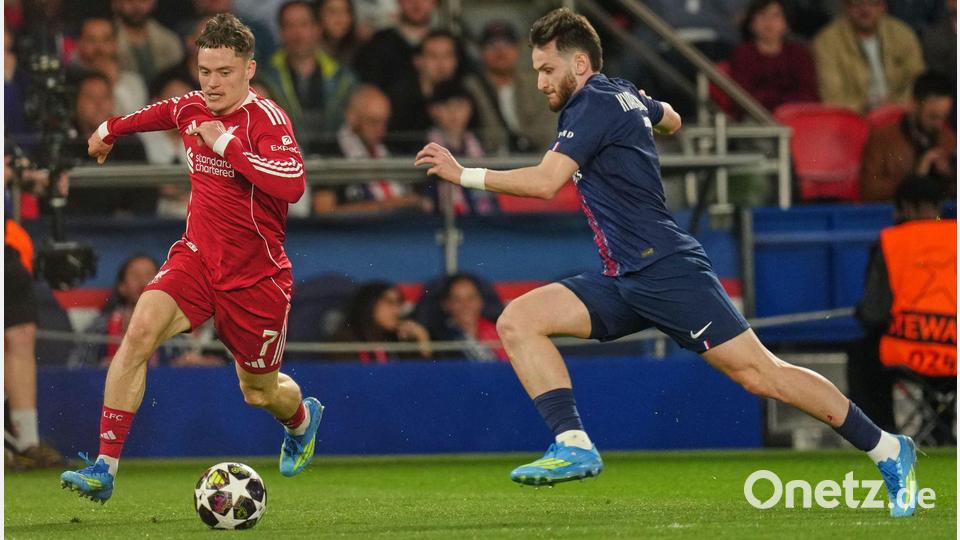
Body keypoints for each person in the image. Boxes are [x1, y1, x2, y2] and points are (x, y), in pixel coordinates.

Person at [415, 8, 921, 517]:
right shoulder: (619, 91)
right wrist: (647, 116)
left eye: (548, 69)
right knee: (519, 320)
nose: (541, 81)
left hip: (666, 271)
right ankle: (573, 443)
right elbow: (672, 117)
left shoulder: (590, 100)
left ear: (581, 64)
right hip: (625, 277)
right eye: (537, 71)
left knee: (762, 375)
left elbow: (547, 183)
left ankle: (885, 447)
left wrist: (465, 175)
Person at [60, 14, 324, 504]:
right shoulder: (192, 107)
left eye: (224, 72)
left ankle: (302, 418)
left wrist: (225, 143)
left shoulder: (267, 120)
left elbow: (292, 184)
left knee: (259, 391)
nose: (213, 83)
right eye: (205, 71)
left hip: (256, 278)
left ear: (249, 69)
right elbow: (156, 112)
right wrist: (109, 129)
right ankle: (105, 466)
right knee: (137, 334)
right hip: (198, 259)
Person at [853, 174, 956, 445]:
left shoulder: (893, 241)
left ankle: (882, 437)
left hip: (910, 352)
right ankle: (941, 430)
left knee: (863, 355)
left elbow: (873, 312)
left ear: (906, 207)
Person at [312, 84, 431, 214]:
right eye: (373, 121)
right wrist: (394, 204)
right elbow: (324, 212)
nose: (381, 130)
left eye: (384, 122)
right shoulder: (329, 154)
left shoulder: (389, 152)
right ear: (351, 117)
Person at [261, 0, 356, 139]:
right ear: (281, 32)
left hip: (335, 156)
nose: (297, 33)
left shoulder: (343, 79)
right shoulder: (264, 78)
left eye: (304, 25)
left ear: (318, 28)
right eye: (289, 26)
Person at [67, 71, 155, 216]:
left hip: (123, 231)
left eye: (105, 97)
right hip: (78, 228)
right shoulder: (66, 143)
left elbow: (146, 193)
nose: (99, 104)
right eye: (91, 98)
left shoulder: (130, 142)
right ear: (76, 103)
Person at [812, 0, 925, 113]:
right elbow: (832, 97)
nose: (865, 10)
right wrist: (866, 107)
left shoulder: (902, 33)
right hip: (854, 117)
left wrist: (896, 105)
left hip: (899, 113)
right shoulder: (826, 41)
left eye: (873, 4)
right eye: (857, 4)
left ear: (883, 7)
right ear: (845, 7)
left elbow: (917, 80)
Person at [465, 20, 557, 154]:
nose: (500, 51)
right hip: (486, 163)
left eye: (507, 44)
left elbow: (548, 131)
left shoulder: (538, 85)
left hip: (535, 161)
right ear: (481, 52)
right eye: (491, 44)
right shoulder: (471, 88)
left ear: (518, 49)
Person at [860, 72, 955, 201]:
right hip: (895, 216)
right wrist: (916, 177)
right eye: (933, 117)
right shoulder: (883, 139)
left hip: (938, 218)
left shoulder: (948, 139)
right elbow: (869, 192)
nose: (939, 124)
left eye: (943, 117)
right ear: (914, 105)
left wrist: (950, 176)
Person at [728, 0, 819, 117]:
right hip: (755, 119)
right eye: (762, 14)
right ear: (751, 22)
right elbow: (743, 98)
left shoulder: (799, 54)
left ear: (786, 23)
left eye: (776, 15)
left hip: (796, 117)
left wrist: (779, 104)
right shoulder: (742, 55)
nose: (768, 21)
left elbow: (809, 95)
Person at [426, 80, 498, 215]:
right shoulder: (425, 148)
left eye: (459, 105)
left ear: (470, 108)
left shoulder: (480, 146)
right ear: (433, 110)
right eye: (446, 106)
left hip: (483, 222)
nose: (454, 113)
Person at [332, 282, 433, 362]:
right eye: (390, 302)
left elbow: (419, 381)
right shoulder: (344, 341)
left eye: (398, 304)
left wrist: (423, 341)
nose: (397, 311)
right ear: (369, 305)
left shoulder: (399, 339)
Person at [69, 17, 148, 116]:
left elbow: (134, 123)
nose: (99, 48)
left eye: (106, 40)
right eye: (91, 40)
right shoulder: (68, 80)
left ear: (115, 44)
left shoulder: (133, 83)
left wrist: (114, 85)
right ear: (79, 43)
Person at [433, 274, 507, 362]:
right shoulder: (438, 338)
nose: (465, 305)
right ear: (447, 304)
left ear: (481, 301)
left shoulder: (499, 332)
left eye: (471, 298)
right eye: (457, 300)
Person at [112, 0, 185, 84]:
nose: (136, 6)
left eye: (143, 1)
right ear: (116, 3)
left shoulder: (169, 41)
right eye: (129, 1)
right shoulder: (107, 41)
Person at [318, 0, 363, 68]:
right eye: (332, 12)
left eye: (345, 11)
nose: (339, 18)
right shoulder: (308, 51)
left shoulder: (362, 51)